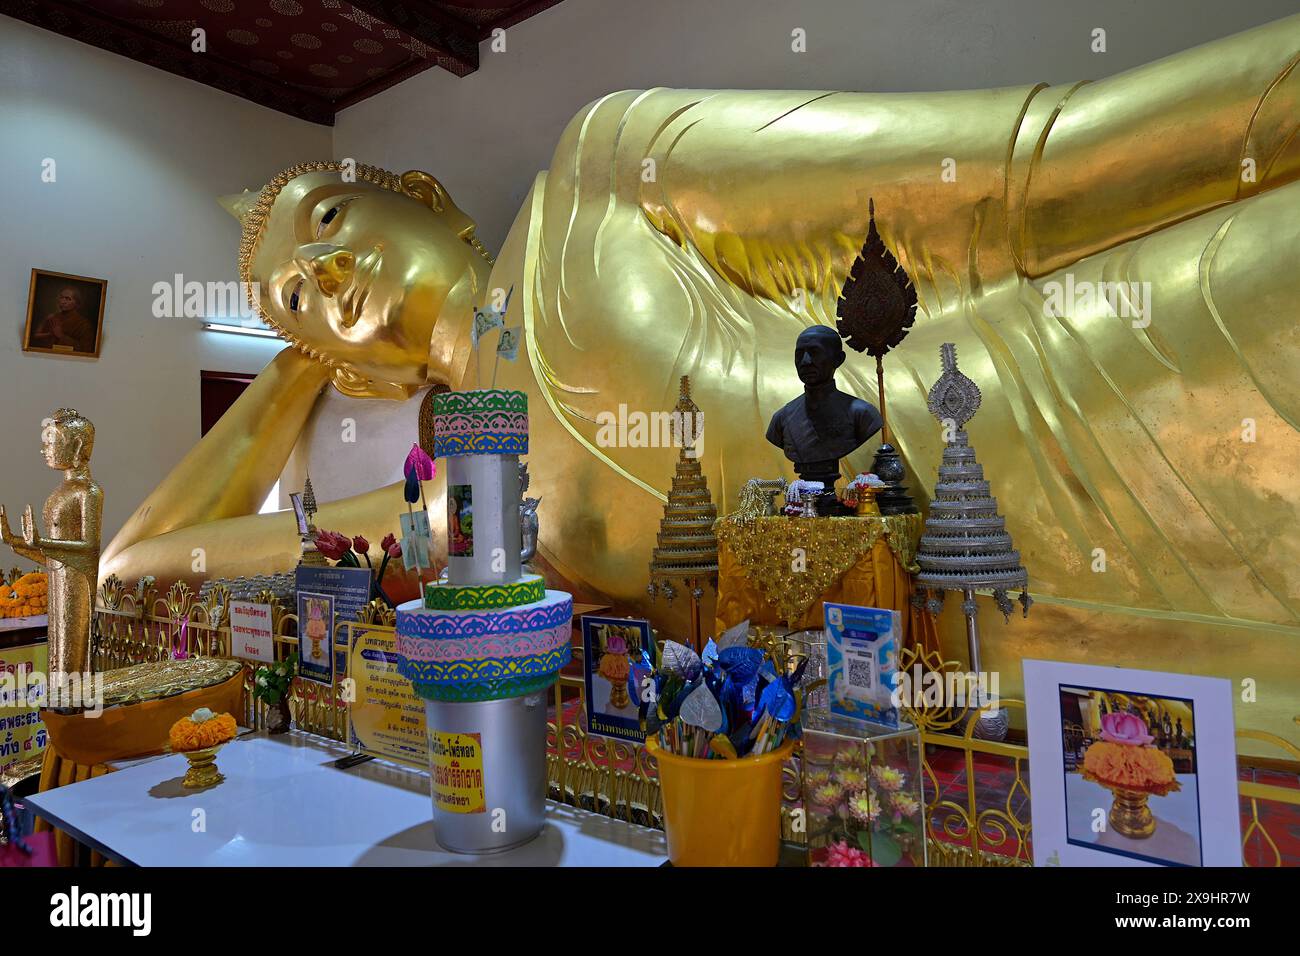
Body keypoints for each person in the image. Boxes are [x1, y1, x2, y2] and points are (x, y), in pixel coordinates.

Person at [30, 287, 96, 354]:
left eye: (68, 299)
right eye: (61, 297)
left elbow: (86, 350)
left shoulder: (84, 324)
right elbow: (35, 337)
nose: (63, 302)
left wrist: (61, 336)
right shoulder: (51, 317)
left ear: (77, 303)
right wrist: (49, 334)